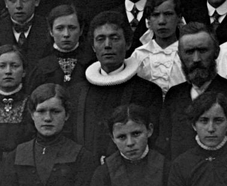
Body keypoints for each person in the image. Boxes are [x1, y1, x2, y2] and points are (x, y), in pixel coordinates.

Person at [69, 10, 165, 161]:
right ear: (93, 46)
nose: (107, 45)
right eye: (100, 39)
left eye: (114, 38)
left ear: (127, 43)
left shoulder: (148, 92)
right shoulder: (78, 92)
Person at [160, 24, 227, 164]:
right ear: (180, 56)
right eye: (189, 52)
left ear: (216, 52)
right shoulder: (174, 96)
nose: (196, 59)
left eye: (202, 50)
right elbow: (165, 148)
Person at [25, 4, 92, 93]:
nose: (66, 34)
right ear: (51, 31)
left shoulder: (91, 64)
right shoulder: (40, 68)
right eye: (60, 28)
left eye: (72, 28)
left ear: (81, 30)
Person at [130, 0, 186, 95]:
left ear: (178, 17)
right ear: (148, 20)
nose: (162, 21)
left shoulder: (186, 53)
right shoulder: (140, 55)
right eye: (155, 15)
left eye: (168, 14)